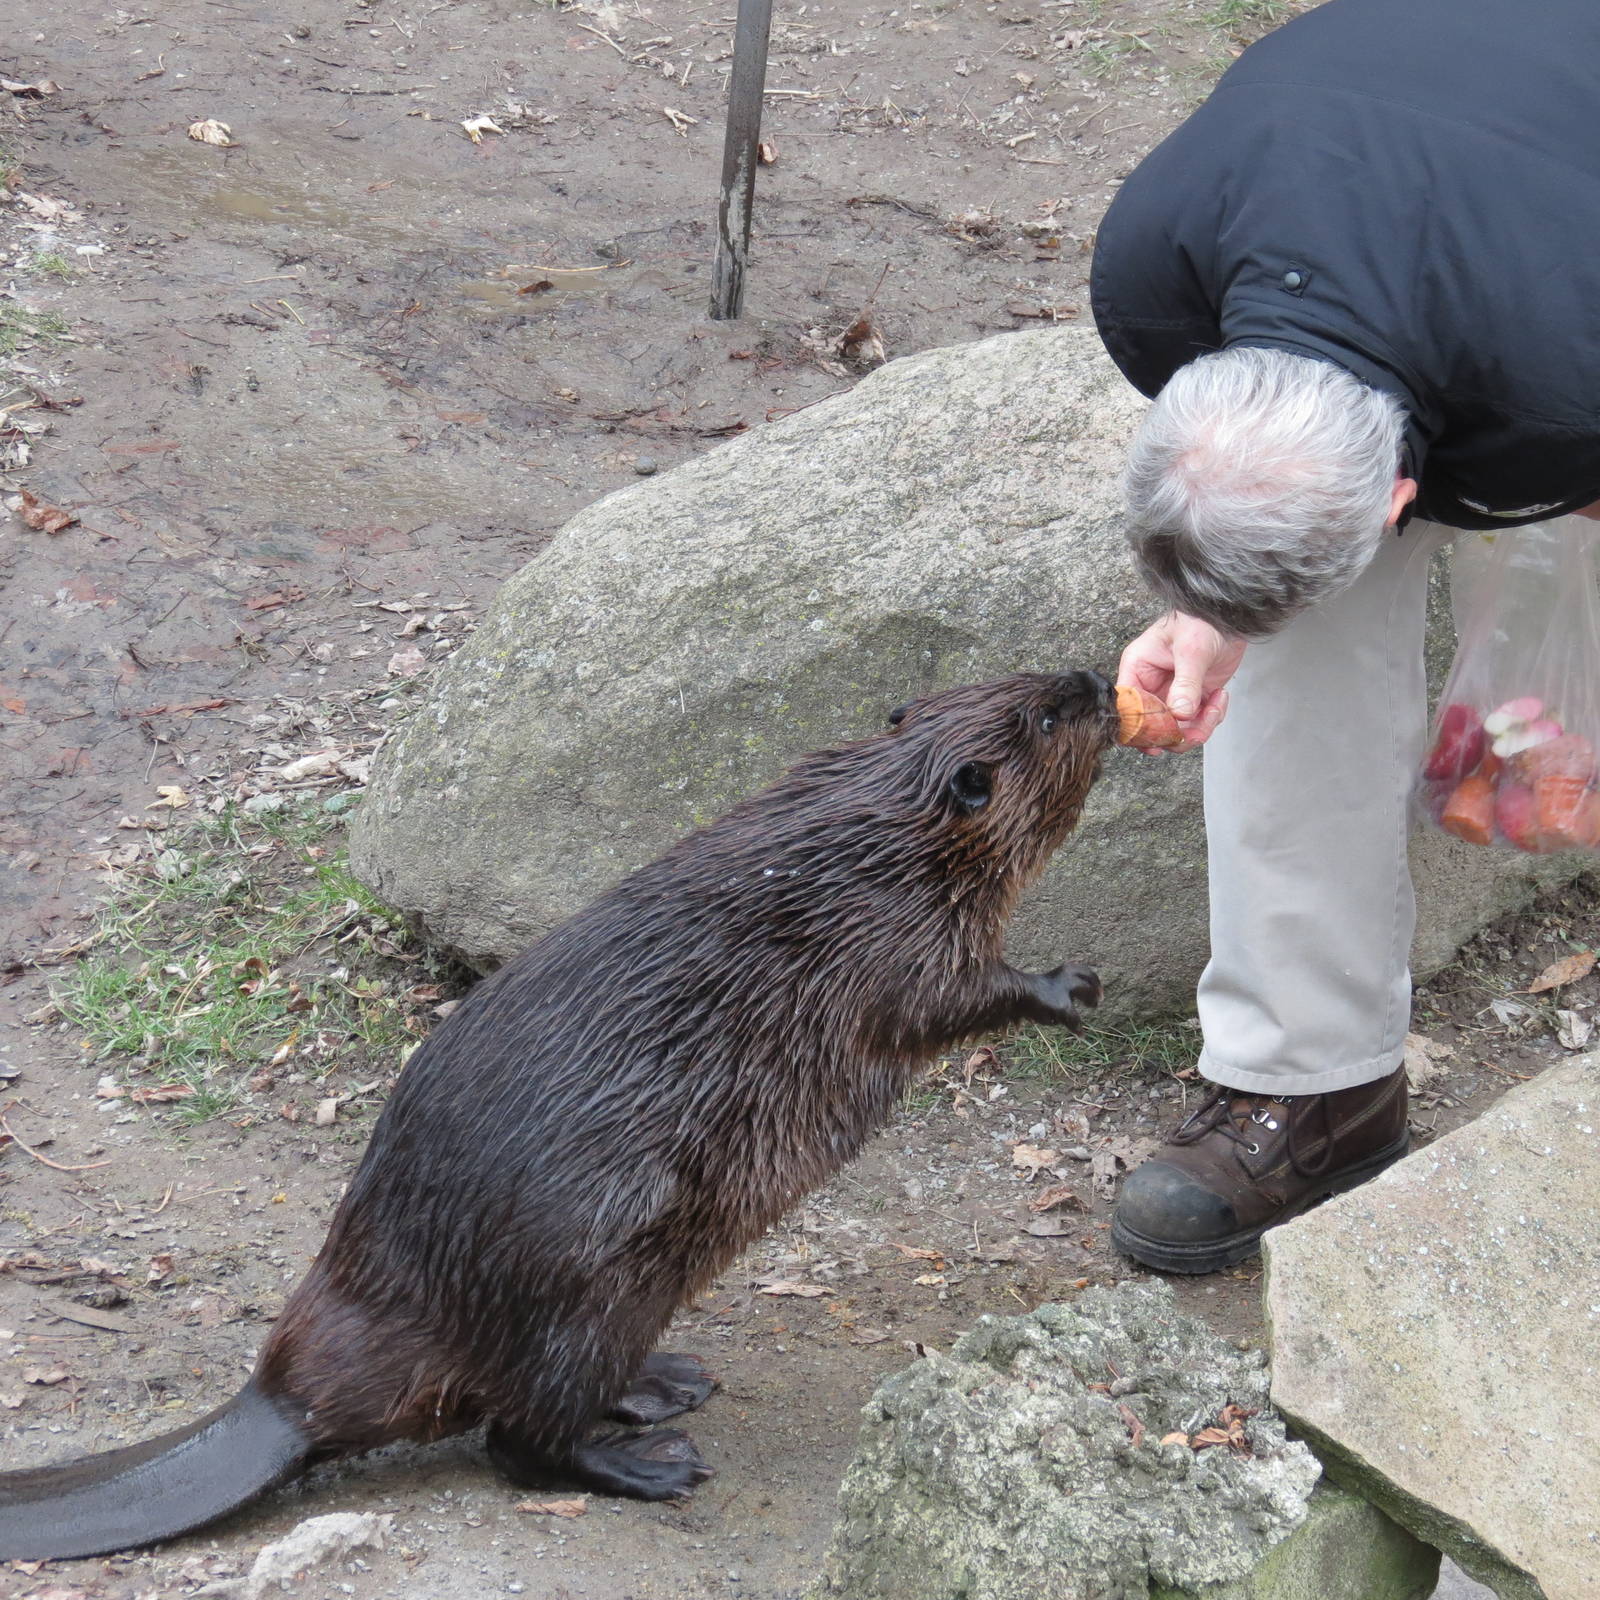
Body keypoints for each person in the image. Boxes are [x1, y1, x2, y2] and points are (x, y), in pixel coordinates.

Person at [1089, 0, 1600, 1273]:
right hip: (1431, 160)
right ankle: (1312, 1084)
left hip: (1556, 191)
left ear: (1397, 498)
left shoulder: (1563, 369)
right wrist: (1207, 618)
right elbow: (1248, 480)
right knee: (1296, 650)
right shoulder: (1152, 280)